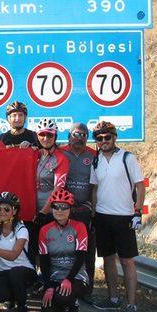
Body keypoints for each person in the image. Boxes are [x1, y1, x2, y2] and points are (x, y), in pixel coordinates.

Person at [90, 121, 145, 312]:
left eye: (107, 137)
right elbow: (94, 189)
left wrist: (137, 210)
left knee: (127, 261)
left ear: (114, 138)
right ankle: (113, 299)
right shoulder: (96, 161)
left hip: (124, 216)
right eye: (99, 138)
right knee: (107, 259)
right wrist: (94, 215)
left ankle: (131, 305)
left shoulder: (127, 158)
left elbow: (140, 186)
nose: (103, 141)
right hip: (103, 216)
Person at [39, 189, 90, 312]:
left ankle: (73, 305)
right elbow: (43, 261)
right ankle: (60, 303)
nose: (59, 210)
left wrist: (68, 279)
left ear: (70, 209)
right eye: (56, 206)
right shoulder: (45, 230)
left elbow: (81, 257)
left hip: (75, 276)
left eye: (64, 207)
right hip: (55, 276)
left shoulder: (79, 227)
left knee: (63, 296)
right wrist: (48, 286)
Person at [0, 192, 36, 312]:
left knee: (15, 272)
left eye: (6, 209)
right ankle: (13, 297)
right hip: (4, 271)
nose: (2, 212)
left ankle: (22, 305)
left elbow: (13, 256)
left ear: (14, 211)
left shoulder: (21, 229)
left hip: (23, 270)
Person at [60, 123, 97, 302]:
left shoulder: (93, 155)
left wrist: (93, 207)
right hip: (63, 210)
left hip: (84, 210)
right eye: (76, 134)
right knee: (63, 246)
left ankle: (87, 289)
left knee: (87, 249)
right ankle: (58, 282)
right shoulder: (60, 153)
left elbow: (98, 184)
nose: (80, 138)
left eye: (84, 135)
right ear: (69, 136)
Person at [26, 118, 69, 264]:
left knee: (47, 249)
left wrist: (43, 212)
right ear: (37, 136)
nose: (46, 138)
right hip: (31, 210)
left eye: (50, 135)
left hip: (49, 212)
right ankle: (35, 279)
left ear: (55, 136)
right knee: (32, 247)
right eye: (42, 134)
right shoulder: (34, 154)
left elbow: (58, 188)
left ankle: (49, 281)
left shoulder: (61, 158)